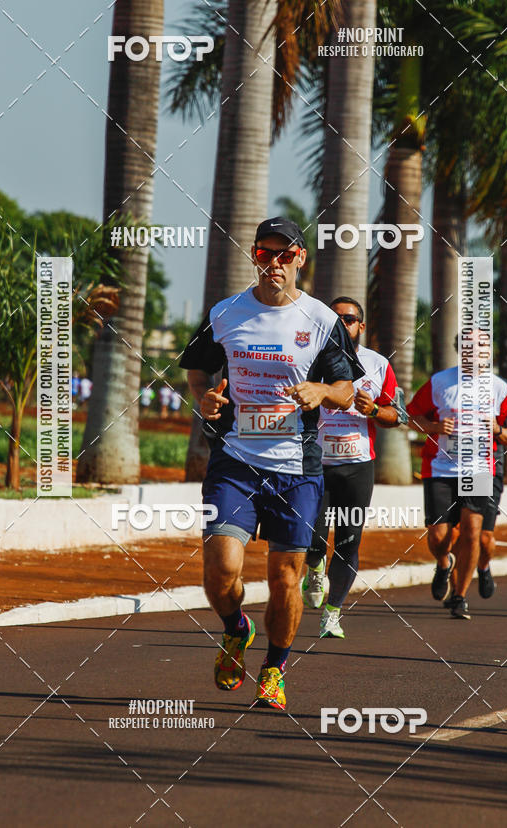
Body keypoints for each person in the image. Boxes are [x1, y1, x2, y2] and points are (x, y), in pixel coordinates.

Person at [180, 217, 363, 710]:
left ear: (300, 258)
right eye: (264, 253)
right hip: (235, 460)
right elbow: (197, 367)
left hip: (296, 467)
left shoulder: (322, 320)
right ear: (254, 256)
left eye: (284, 255)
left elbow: (348, 391)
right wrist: (205, 399)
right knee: (220, 568)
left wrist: (323, 390)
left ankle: (275, 668)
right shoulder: (226, 313)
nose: (274, 264)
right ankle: (235, 628)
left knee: (286, 578)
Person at [302, 296, 401, 638]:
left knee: (348, 541)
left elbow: (395, 416)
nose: (343, 323)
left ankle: (333, 612)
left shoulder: (378, 364)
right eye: (336, 318)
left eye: (349, 318)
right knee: (312, 534)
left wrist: (373, 410)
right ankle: (314, 566)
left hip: (358, 466)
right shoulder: (310, 358)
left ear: (361, 326)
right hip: (315, 462)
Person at [407, 338, 507, 620]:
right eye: (469, 347)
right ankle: (444, 564)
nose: (477, 352)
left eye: (482, 347)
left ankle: (459, 597)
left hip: (479, 469)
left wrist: (496, 429)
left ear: (489, 351)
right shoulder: (440, 382)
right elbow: (410, 417)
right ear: (460, 351)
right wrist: (432, 425)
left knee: (473, 531)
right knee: (439, 536)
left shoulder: (499, 388)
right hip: (441, 469)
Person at [468, 380, 507, 601]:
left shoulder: (498, 388)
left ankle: (483, 567)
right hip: (453, 467)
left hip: (485, 468)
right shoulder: (448, 383)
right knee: (457, 530)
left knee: (483, 536)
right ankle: (457, 592)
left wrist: (497, 429)